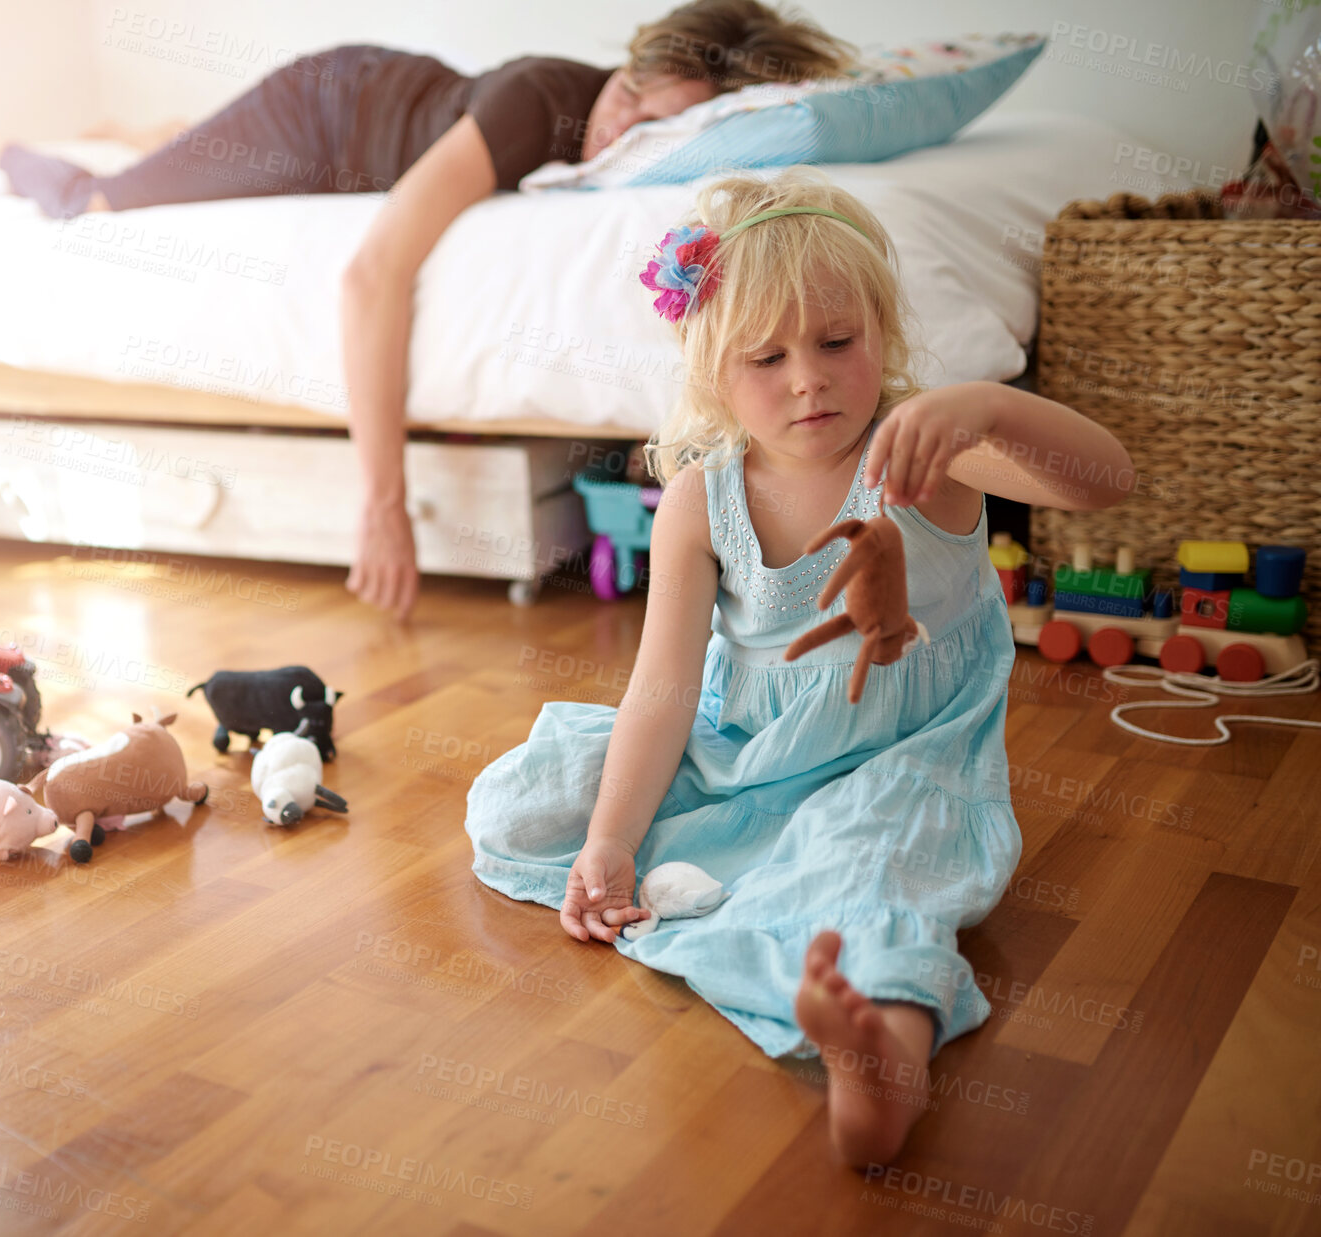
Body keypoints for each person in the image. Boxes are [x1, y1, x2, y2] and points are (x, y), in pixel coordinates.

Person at [461, 166, 1135, 1167]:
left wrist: (987, 408)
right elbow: (662, 689)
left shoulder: (923, 453)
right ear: (709, 374)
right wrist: (609, 838)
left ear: (879, 334)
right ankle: (742, 894)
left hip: (898, 764)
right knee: (527, 795)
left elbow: (1104, 481)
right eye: (764, 357)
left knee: (869, 878)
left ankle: (882, 1064)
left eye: (835, 342)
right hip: (744, 752)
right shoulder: (700, 496)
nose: (807, 378)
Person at [0, 1, 859, 621]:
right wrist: (384, 504)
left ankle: (148, 142)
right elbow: (370, 274)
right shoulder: (539, 103)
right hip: (319, 111)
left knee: (171, 167)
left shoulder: (625, 129)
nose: (625, 131)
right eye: (629, 102)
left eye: (658, 128)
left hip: (382, 116)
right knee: (94, 203)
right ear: (631, 66)